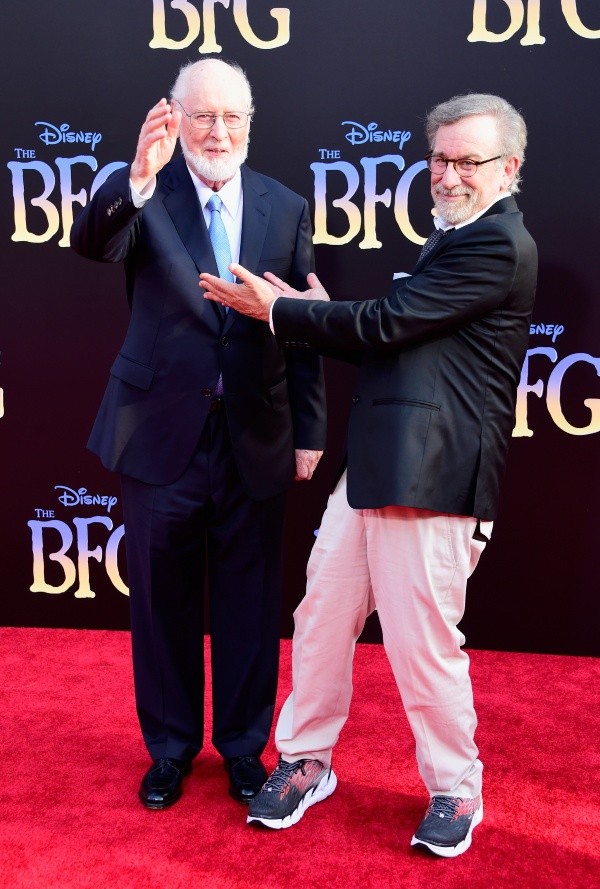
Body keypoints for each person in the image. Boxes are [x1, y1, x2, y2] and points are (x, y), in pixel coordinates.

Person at [200, 93, 537, 857]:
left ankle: (457, 788)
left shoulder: (498, 245)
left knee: (422, 644)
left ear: (509, 169)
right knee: (322, 616)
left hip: (436, 479)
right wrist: (309, 307)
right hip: (374, 467)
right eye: (439, 159)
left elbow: (389, 324)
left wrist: (281, 312)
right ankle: (307, 758)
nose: (448, 175)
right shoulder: (449, 240)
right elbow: (401, 335)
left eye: (467, 161)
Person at [70, 58, 326, 810]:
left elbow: (303, 322)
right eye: (202, 115)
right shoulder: (143, 189)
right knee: (162, 601)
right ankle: (171, 748)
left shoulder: (286, 205)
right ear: (173, 117)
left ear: (252, 123)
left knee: (250, 603)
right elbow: (93, 243)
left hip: (256, 430)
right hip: (158, 435)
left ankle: (245, 749)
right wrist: (136, 180)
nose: (219, 131)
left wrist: (308, 430)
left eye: (233, 117)